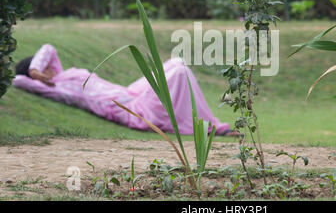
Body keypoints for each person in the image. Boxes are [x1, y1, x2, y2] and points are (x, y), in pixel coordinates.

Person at [13, 44, 238, 136]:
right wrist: (35, 76)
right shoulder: (56, 88)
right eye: (43, 69)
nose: (49, 70)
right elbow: (17, 81)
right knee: (179, 73)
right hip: (132, 108)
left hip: (130, 91)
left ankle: (211, 125)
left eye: (45, 68)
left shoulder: (62, 73)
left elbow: (48, 48)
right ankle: (214, 128)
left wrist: (36, 68)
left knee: (177, 62)